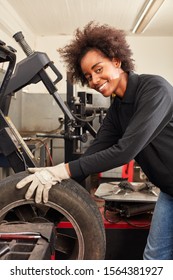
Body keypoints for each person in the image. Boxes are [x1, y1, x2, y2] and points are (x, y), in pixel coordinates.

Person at [16, 21, 173, 260]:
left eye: (98, 70)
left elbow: (125, 151)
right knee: (154, 260)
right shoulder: (117, 111)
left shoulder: (155, 90)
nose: (94, 80)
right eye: (89, 76)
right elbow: (93, 154)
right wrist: (50, 198)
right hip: (169, 192)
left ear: (117, 61)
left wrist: (61, 171)